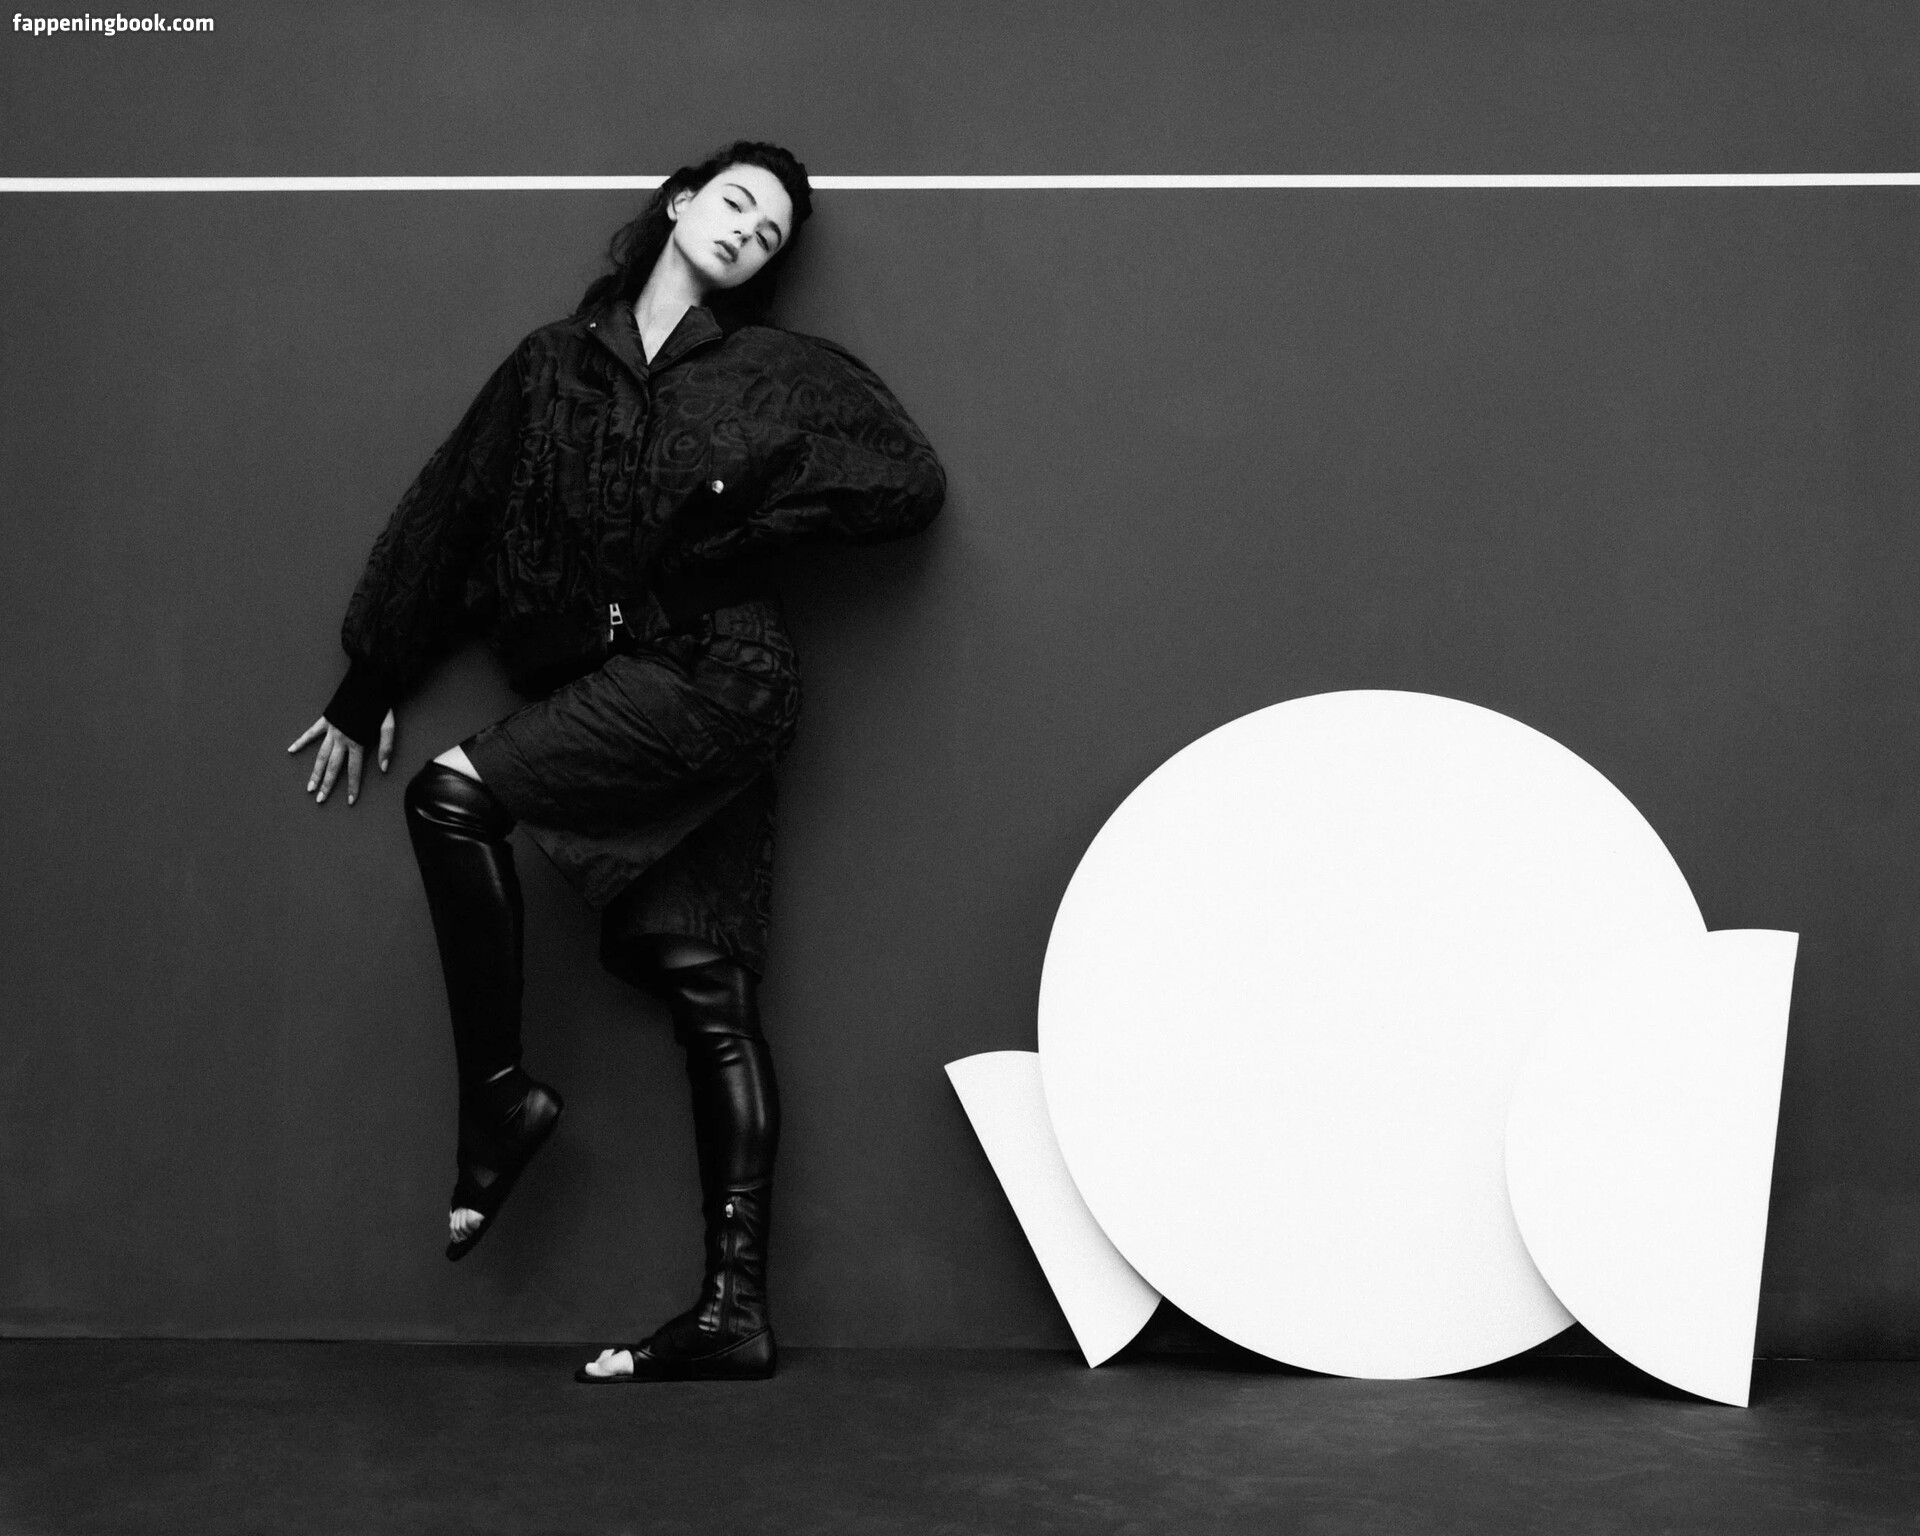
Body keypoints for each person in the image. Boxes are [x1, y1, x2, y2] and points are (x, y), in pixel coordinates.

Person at [287, 140, 946, 1382]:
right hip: (633, 687)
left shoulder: (774, 370)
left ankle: (500, 1102)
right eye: (737, 202)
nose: (749, 230)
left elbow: (908, 481)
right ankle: (733, 1316)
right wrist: (372, 675)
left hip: (721, 673)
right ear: (681, 202)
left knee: (452, 796)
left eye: (772, 232)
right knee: (709, 987)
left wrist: (732, 515)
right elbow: (454, 510)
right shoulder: (552, 364)